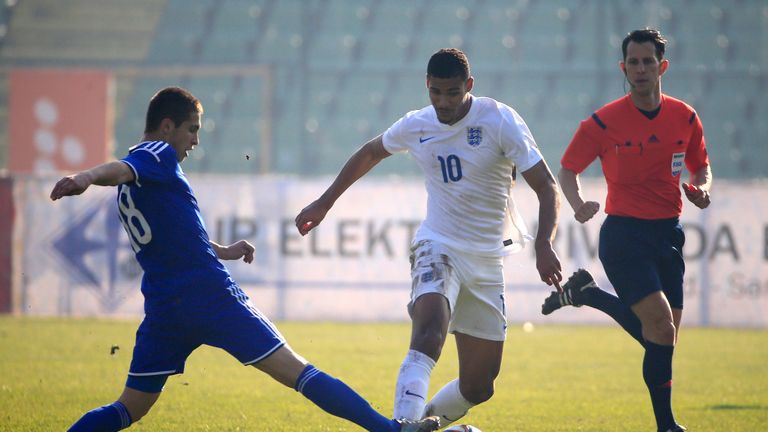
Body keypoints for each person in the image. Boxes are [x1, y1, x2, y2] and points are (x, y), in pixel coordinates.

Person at [51, 86, 439, 432]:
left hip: (166, 307)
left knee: (129, 408)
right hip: (210, 297)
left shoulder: (141, 182)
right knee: (298, 371)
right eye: (192, 129)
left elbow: (171, 238)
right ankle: (392, 431)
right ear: (167, 126)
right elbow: (118, 169)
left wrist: (223, 250)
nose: (196, 141)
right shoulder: (155, 156)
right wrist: (85, 177)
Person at [295, 48, 562, 428]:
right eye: (435, 92)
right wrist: (324, 203)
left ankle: (418, 424)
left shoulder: (500, 120)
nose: (443, 102)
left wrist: (544, 243)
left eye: (452, 92)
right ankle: (401, 424)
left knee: (480, 385)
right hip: (437, 245)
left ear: (469, 86)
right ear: (427, 86)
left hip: (486, 261)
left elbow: (547, 187)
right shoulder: (417, 124)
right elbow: (371, 152)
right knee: (429, 332)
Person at [543, 29, 712, 432]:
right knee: (660, 329)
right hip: (624, 236)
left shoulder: (685, 116)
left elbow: (701, 164)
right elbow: (567, 169)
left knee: (663, 338)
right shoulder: (603, 122)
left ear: (662, 66)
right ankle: (666, 425)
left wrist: (703, 188)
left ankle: (587, 294)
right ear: (623, 67)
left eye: (647, 61)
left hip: (668, 235)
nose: (640, 69)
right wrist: (578, 203)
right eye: (632, 62)